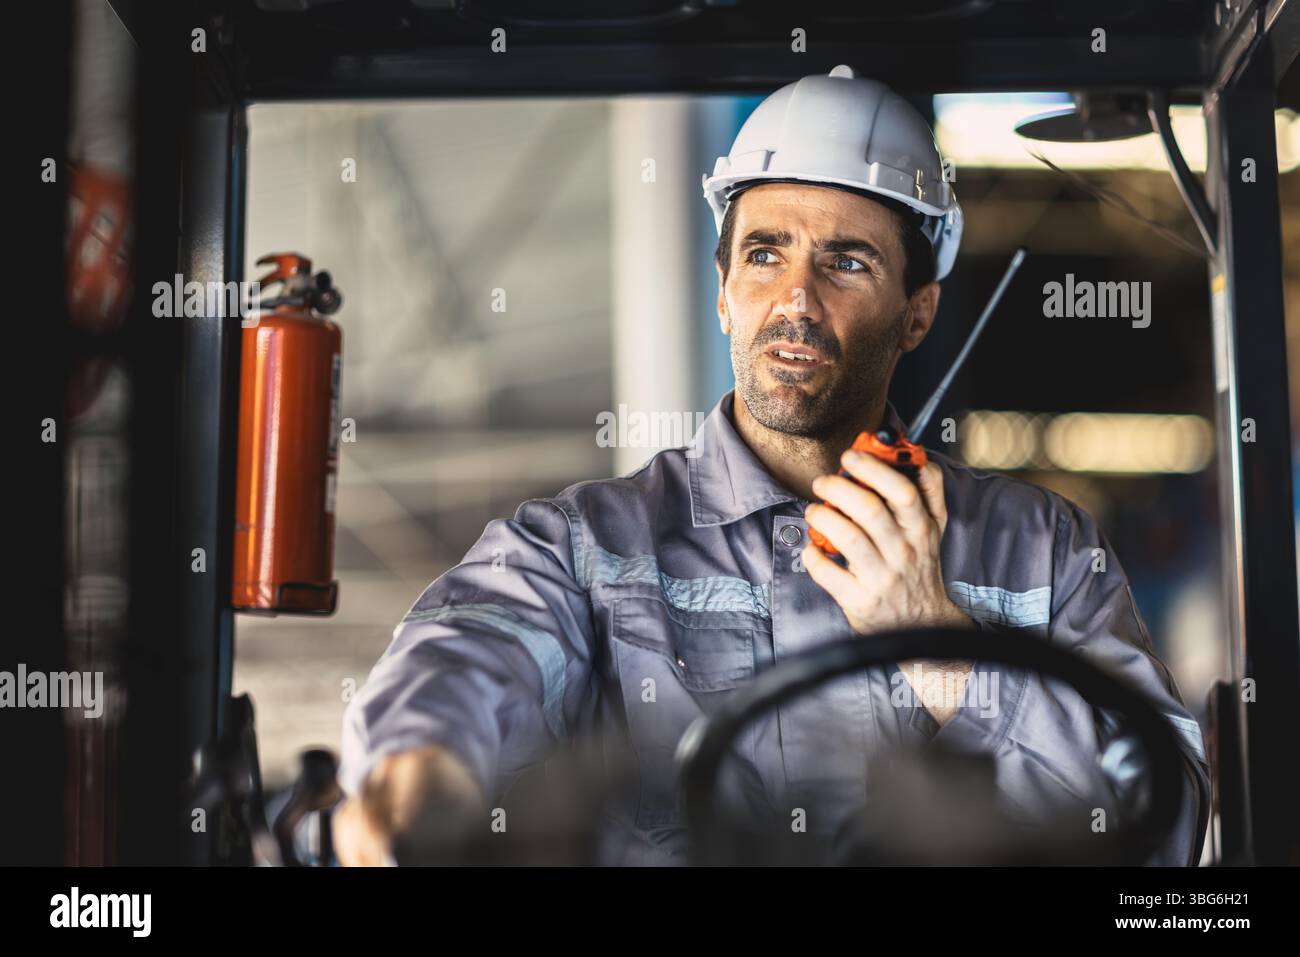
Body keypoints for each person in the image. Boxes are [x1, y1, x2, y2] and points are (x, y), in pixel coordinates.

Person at [334, 65, 1209, 866]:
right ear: (723, 293)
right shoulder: (583, 549)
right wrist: (422, 768)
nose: (796, 296)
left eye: (847, 261)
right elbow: (470, 654)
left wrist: (941, 643)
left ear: (917, 314)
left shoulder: (1042, 551)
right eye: (765, 253)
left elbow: (1162, 831)